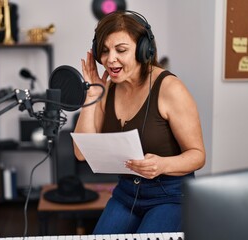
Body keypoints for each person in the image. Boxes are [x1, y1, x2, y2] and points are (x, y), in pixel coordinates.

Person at [73, 10, 206, 234]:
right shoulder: (107, 88)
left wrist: (163, 165)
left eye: (121, 50)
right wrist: (93, 95)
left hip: (170, 196)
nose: (110, 59)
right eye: (104, 51)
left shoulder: (170, 89)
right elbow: (80, 153)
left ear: (144, 50)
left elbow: (198, 155)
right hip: (126, 194)